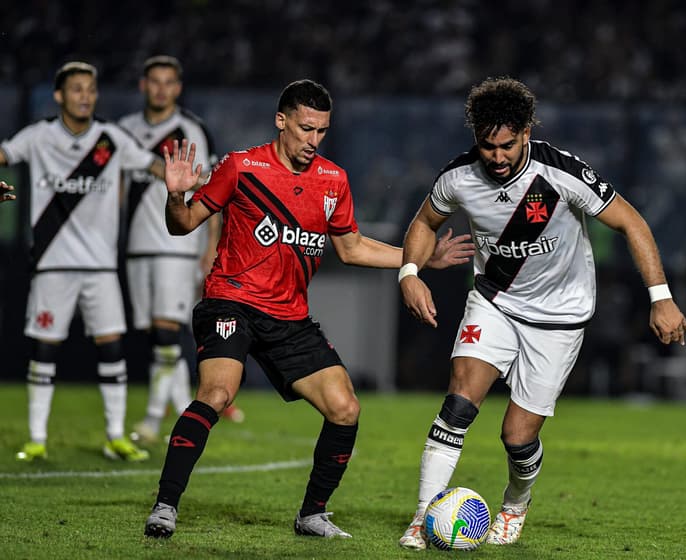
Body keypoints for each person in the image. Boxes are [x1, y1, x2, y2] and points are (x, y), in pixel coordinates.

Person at [143, 79, 474, 540]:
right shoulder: (241, 167)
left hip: (289, 317)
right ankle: (165, 505)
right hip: (231, 301)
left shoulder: (332, 179)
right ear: (281, 121)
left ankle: (312, 514)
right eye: (305, 129)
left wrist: (417, 259)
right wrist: (175, 194)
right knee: (218, 393)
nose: (313, 141)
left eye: (321, 131)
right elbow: (182, 227)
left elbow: (352, 248)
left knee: (345, 408)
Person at [397, 77, 686, 548]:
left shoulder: (561, 175)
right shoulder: (459, 177)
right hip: (494, 300)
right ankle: (423, 516)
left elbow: (631, 221)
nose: (496, 156)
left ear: (527, 132)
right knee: (458, 402)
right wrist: (409, 271)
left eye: (507, 145)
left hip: (559, 317)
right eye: (487, 146)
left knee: (516, 436)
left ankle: (515, 504)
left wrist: (661, 296)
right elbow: (425, 222)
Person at [0, 61, 164, 462]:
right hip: (52, 264)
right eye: (76, 89)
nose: (85, 96)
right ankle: (37, 439)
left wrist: (189, 179)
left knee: (112, 348)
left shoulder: (111, 139)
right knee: (45, 349)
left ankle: (114, 436)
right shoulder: (39, 136)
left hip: (101, 268)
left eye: (90, 89)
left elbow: (155, 166)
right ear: (59, 95)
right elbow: (4, 154)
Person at [117, 55, 240, 445]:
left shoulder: (190, 130)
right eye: (154, 81)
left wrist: (210, 246)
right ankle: (186, 405)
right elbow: (119, 192)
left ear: (178, 87)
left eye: (169, 82)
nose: (161, 89)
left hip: (177, 248)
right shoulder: (124, 130)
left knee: (168, 333)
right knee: (157, 334)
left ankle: (154, 420)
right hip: (137, 247)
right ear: (143, 85)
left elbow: (209, 192)